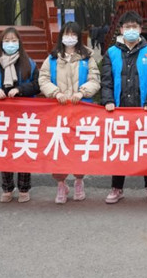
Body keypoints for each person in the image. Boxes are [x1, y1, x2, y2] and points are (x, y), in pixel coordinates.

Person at [100, 11, 147, 204]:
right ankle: (117, 187)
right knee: (120, 149)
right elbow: (106, 81)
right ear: (121, 30)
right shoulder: (111, 53)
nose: (131, 30)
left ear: (140, 29)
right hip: (119, 109)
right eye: (127, 27)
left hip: (144, 109)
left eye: (134, 27)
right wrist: (108, 100)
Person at [38, 21, 101, 204]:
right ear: (61, 36)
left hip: (81, 110)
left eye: (73, 34)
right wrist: (55, 93)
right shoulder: (52, 58)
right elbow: (43, 79)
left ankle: (79, 181)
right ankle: (61, 184)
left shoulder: (87, 57)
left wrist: (82, 92)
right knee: (59, 147)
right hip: (57, 111)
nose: (70, 38)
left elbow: (95, 79)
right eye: (67, 34)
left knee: (79, 147)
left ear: (79, 37)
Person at [0, 27, 40, 204]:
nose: (10, 44)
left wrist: (20, 89)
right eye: (7, 41)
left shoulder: (29, 63)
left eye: (14, 40)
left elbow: (37, 85)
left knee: (23, 149)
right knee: (5, 150)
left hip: (24, 114)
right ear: (1, 43)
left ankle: (24, 188)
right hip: (3, 114)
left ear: (19, 42)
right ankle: (7, 188)